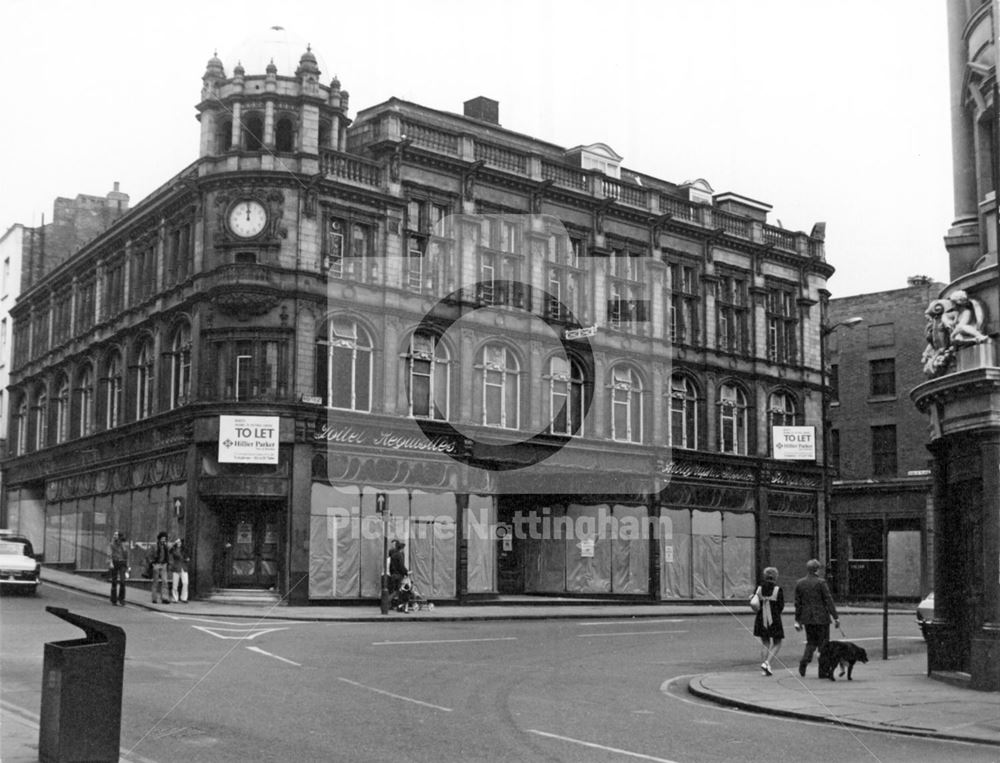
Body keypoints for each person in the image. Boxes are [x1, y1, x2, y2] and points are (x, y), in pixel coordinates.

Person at [793, 558, 839, 676]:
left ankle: (804, 661)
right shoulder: (821, 582)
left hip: (807, 618)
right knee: (823, 644)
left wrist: (798, 620)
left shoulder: (800, 583)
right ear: (817, 570)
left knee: (811, 642)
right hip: (822, 618)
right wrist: (835, 617)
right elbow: (828, 600)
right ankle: (822, 671)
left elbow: (798, 604)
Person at [752, 566, 784, 676]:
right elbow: (781, 606)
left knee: (765, 643)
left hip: (761, 618)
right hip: (774, 619)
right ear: (775, 577)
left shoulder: (759, 589)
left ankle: (764, 666)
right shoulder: (778, 589)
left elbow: (754, 602)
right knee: (777, 642)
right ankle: (767, 662)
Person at [148, 531, 172, 604]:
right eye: (162, 538)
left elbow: (167, 556)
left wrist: (167, 563)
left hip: (163, 564)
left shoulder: (165, 546)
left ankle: (164, 598)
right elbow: (150, 556)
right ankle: (154, 598)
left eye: (165, 538)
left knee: (164, 581)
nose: (163, 540)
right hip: (156, 564)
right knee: (155, 582)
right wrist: (152, 563)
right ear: (159, 538)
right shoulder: (154, 546)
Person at [388, 539, 411, 612]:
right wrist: (406, 572)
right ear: (402, 549)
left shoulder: (393, 556)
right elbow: (401, 566)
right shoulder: (400, 555)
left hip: (393, 575)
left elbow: (391, 566)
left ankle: (398, 605)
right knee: (398, 591)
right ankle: (386, 602)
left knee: (395, 591)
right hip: (398, 575)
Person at [108, 531, 129, 606]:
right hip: (115, 562)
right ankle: (113, 599)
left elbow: (127, 555)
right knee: (114, 581)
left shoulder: (124, 544)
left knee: (123, 581)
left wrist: (127, 566)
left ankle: (121, 599)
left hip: (122, 563)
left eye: (117, 535)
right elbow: (110, 554)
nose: (115, 536)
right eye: (115, 535)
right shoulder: (112, 544)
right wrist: (110, 562)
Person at [169, 538, 191, 603]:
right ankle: (175, 598)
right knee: (175, 584)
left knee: (185, 583)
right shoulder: (173, 549)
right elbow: (169, 550)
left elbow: (187, 557)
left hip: (183, 567)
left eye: (180, 542)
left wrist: (187, 559)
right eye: (177, 543)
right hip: (176, 567)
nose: (179, 544)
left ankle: (184, 598)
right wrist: (173, 544)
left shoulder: (184, 550)